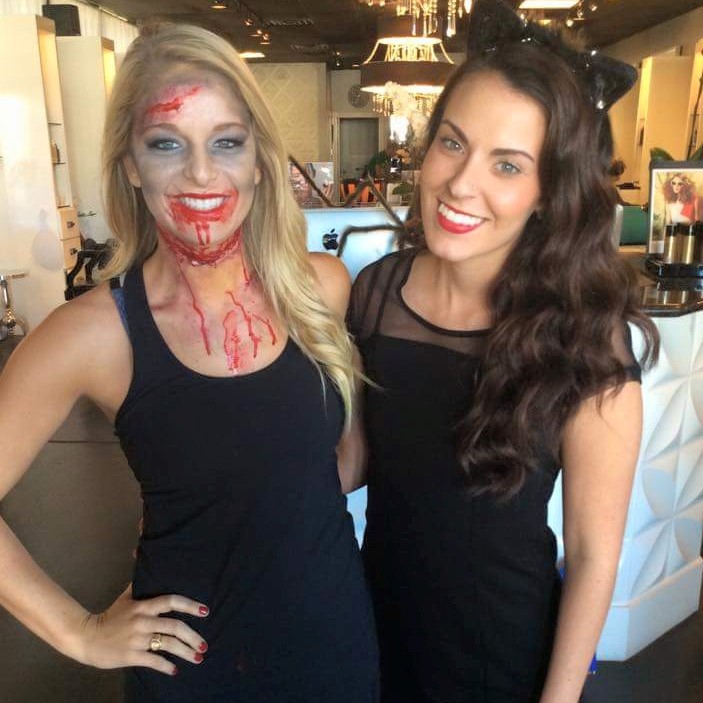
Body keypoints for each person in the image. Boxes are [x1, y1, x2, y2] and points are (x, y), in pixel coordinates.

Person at [0, 23, 378, 703]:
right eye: (166, 144)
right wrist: (79, 632)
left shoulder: (320, 288)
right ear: (130, 165)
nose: (202, 173)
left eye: (227, 142)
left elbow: (338, 466)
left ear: (259, 160)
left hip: (333, 646)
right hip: (192, 671)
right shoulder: (93, 334)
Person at [344, 1, 659, 702]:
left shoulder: (586, 337)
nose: (461, 184)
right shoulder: (377, 292)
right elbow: (358, 462)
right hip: (373, 630)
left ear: (547, 192)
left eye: (508, 165)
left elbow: (592, 555)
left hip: (499, 658)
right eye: (452, 143)